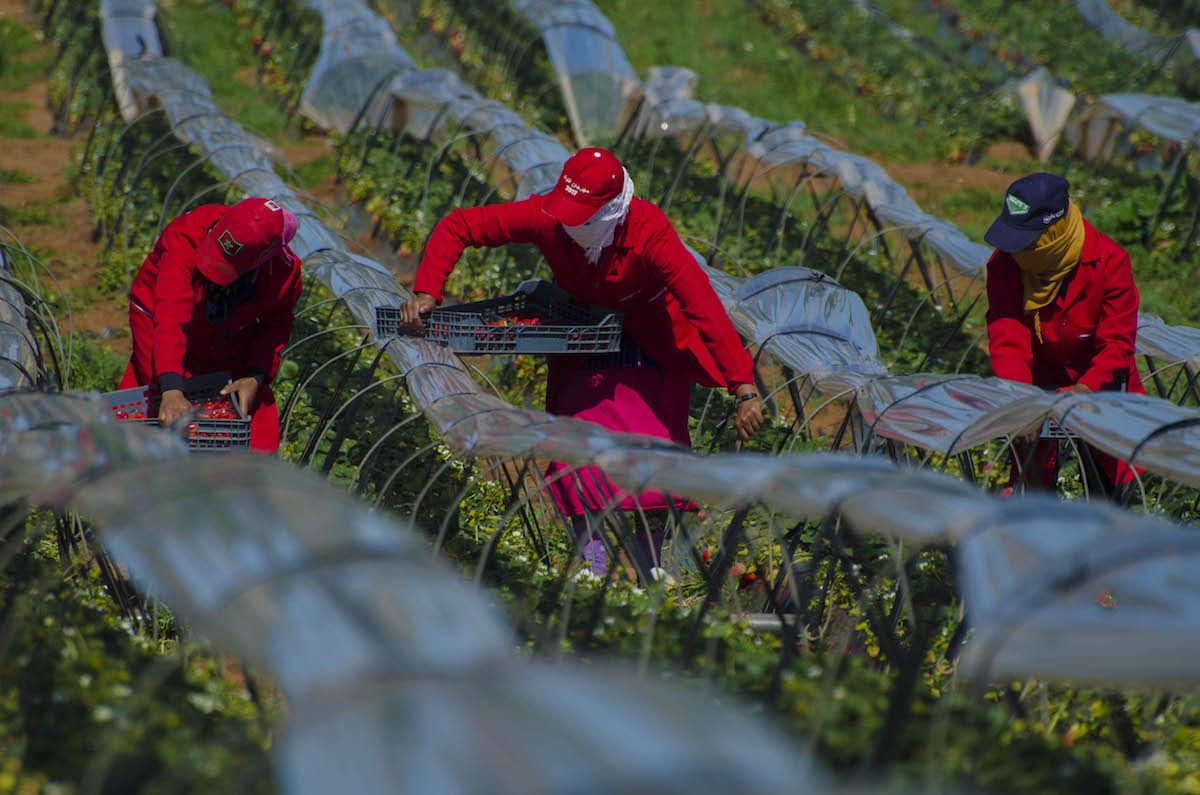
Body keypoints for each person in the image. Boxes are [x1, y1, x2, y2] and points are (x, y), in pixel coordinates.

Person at [399, 147, 763, 577]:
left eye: (581, 216)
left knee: (654, 459)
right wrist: (428, 291)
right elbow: (461, 225)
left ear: (611, 212)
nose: (569, 224)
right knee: (576, 455)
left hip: (649, 345)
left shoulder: (649, 231)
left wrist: (743, 385)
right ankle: (594, 566)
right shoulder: (549, 217)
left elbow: (702, 304)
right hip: (584, 339)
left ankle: (650, 566)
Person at [983, 172, 1144, 495]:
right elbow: (1007, 334)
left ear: (1052, 232)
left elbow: (1117, 344)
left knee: (1109, 493)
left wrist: (1086, 388)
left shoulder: (1108, 263)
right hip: (1037, 381)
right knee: (1032, 487)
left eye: (1025, 241)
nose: (1016, 253)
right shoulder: (1004, 265)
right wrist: (1020, 399)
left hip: (1101, 388)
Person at [119, 196, 302, 455]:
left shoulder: (283, 271)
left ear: (262, 258)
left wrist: (254, 376)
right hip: (158, 317)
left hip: (226, 331)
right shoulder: (187, 235)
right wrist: (171, 388)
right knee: (155, 396)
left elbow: (276, 324)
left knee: (241, 409)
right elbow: (171, 315)